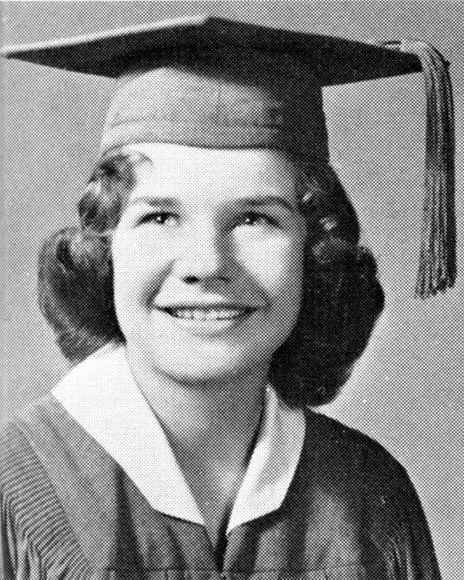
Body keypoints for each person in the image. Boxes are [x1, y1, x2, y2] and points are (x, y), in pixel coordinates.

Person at [1, 15, 454, 579]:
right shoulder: (16, 492)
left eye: (255, 218)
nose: (208, 265)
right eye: (160, 216)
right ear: (105, 248)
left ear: (316, 253)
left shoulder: (369, 498)